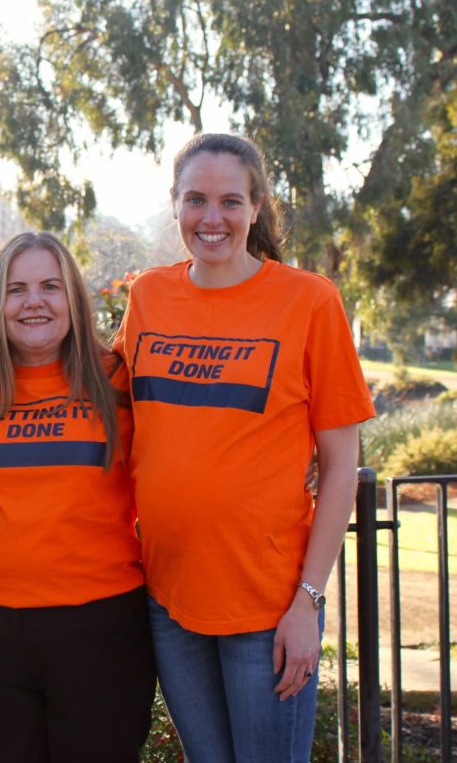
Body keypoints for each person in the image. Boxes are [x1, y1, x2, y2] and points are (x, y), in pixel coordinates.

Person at [114, 133, 375, 761]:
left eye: (230, 201)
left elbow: (340, 467)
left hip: (269, 612)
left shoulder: (310, 302)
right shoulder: (148, 296)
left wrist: (306, 605)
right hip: (170, 605)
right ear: (174, 205)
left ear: (256, 207)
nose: (212, 219)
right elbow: (112, 406)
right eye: (195, 200)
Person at [0, 231, 155, 762]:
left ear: (73, 299)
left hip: (100, 628)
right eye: (16, 289)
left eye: (50, 286)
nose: (34, 301)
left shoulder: (119, 382)